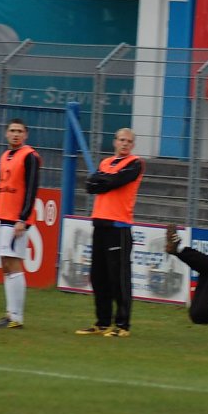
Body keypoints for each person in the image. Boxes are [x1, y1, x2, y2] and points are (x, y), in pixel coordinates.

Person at [76, 128, 144, 338]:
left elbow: (115, 182)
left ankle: (123, 325)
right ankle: (102, 322)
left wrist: (102, 180)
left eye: (128, 141)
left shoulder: (135, 163)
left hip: (119, 226)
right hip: (100, 224)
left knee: (119, 277)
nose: (124, 143)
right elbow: (91, 186)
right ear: (114, 142)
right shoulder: (106, 162)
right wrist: (102, 180)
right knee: (99, 276)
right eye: (121, 140)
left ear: (132, 145)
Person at [0, 118, 41, 329]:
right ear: (6, 134)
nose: (15, 134)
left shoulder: (30, 157)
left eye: (19, 131)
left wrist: (23, 218)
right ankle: (10, 313)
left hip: (17, 219)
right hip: (4, 216)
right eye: (12, 130)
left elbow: (32, 189)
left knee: (13, 263)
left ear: (26, 135)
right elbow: (1, 187)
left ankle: (17, 317)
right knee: (5, 264)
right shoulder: (5, 156)